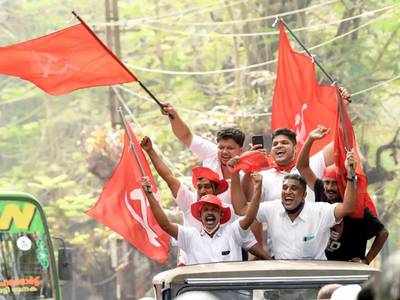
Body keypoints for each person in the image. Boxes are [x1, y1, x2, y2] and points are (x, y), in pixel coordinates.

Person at [140, 137, 268, 263]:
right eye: (199, 187)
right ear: (199, 214)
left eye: (207, 187)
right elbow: (168, 178)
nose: (202, 191)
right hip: (190, 265)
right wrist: (150, 151)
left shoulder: (230, 217)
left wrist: (271, 260)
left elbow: (249, 222)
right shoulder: (190, 232)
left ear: (221, 213)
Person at [296, 126, 388, 264]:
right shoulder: (322, 190)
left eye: (334, 183)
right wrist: (310, 139)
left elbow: (383, 233)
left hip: (348, 271)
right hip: (322, 265)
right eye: (327, 182)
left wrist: (366, 260)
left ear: (343, 185)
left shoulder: (357, 207)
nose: (329, 188)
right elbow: (302, 167)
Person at [141, 172, 263, 265]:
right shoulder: (190, 236)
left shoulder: (233, 232)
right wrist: (149, 195)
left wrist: (258, 188)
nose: (210, 213)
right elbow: (165, 225)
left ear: (221, 214)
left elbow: (249, 218)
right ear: (199, 215)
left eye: (214, 209)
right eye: (206, 210)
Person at [255, 154, 357, 259]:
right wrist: (239, 174)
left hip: (315, 273)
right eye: (284, 188)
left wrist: (351, 173)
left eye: (293, 188)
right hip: (283, 273)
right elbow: (242, 210)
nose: (288, 192)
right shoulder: (272, 208)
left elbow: (348, 207)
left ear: (304, 195)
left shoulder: (320, 211)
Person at [161, 103, 244, 205]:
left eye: (230, 148)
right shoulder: (211, 152)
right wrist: (173, 115)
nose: (224, 152)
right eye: (221, 147)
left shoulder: (246, 172)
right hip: (202, 213)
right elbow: (186, 136)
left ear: (241, 150)